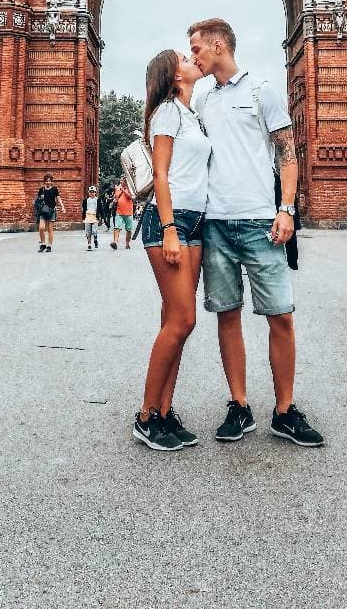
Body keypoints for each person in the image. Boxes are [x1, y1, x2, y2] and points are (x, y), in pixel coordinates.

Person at [188, 17, 324, 448]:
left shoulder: (261, 89)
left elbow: (287, 153)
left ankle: (285, 410)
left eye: (196, 49)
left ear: (217, 45)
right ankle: (239, 404)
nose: (193, 57)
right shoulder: (202, 97)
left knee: (280, 315)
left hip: (260, 221)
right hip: (215, 223)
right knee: (227, 315)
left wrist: (287, 209)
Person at [133, 49, 211, 452]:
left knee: (175, 321)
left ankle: (165, 411)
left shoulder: (192, 113)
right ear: (173, 74)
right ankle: (146, 416)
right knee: (182, 320)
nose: (192, 58)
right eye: (184, 57)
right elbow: (161, 174)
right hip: (172, 221)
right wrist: (167, 229)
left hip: (196, 221)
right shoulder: (166, 111)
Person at [34, 174, 64, 252]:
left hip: (52, 210)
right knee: (41, 228)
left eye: (49, 181)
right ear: (44, 181)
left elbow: (58, 198)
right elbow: (37, 201)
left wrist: (62, 206)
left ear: (51, 181)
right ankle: (43, 244)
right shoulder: (41, 190)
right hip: (43, 211)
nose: (48, 182)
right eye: (46, 181)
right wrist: (40, 198)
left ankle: (49, 246)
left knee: (50, 229)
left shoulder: (54, 189)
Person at [111, 176, 135, 250]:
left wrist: (124, 190)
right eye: (121, 180)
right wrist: (115, 200)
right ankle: (115, 242)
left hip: (128, 212)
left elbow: (131, 197)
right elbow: (115, 197)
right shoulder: (117, 189)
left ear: (126, 182)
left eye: (122, 181)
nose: (121, 182)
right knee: (117, 227)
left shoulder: (131, 189)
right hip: (119, 211)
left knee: (129, 229)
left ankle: (127, 243)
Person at [81, 185, 99, 250]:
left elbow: (100, 209)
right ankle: (89, 244)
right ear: (88, 193)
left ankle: (95, 239)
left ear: (95, 192)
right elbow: (83, 210)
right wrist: (83, 218)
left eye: (93, 192)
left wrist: (102, 218)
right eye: (90, 192)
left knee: (94, 231)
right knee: (88, 232)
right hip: (88, 216)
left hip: (94, 216)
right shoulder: (85, 201)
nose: (92, 193)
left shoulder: (97, 200)